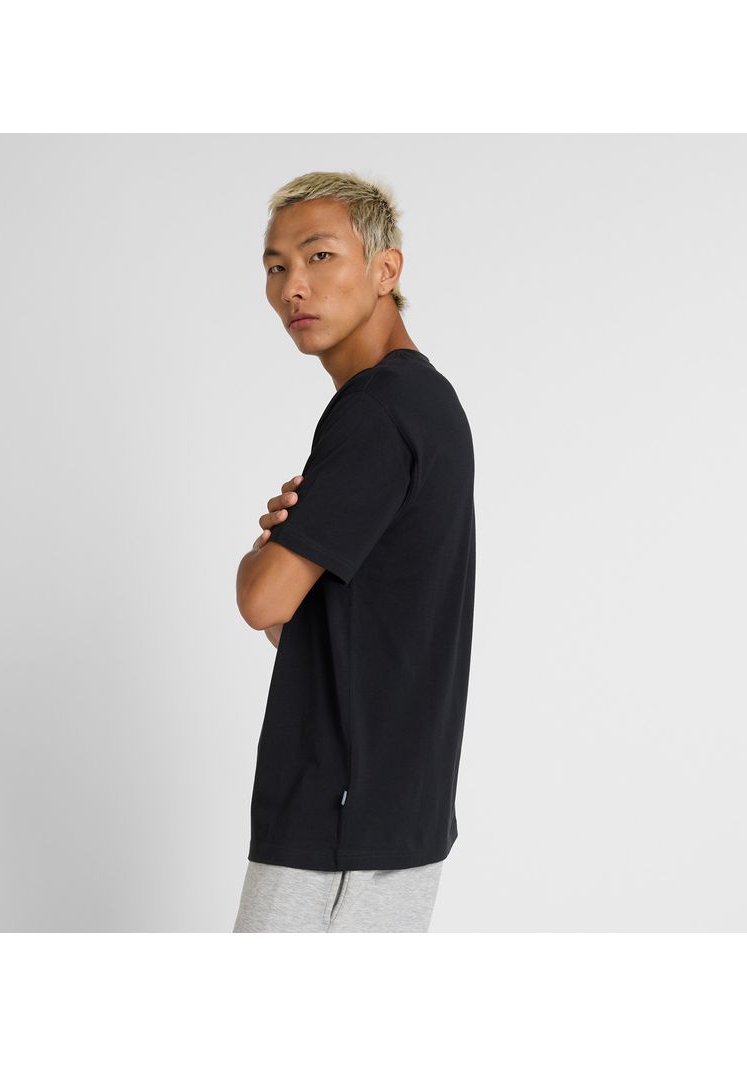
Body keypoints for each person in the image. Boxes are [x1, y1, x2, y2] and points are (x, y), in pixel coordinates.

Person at [233, 170, 476, 932]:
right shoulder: (425, 402)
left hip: (337, 820)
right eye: (276, 266)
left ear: (385, 268)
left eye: (319, 256)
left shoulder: (374, 411)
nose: (293, 287)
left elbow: (263, 602)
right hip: (388, 812)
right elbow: (335, 624)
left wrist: (262, 553)